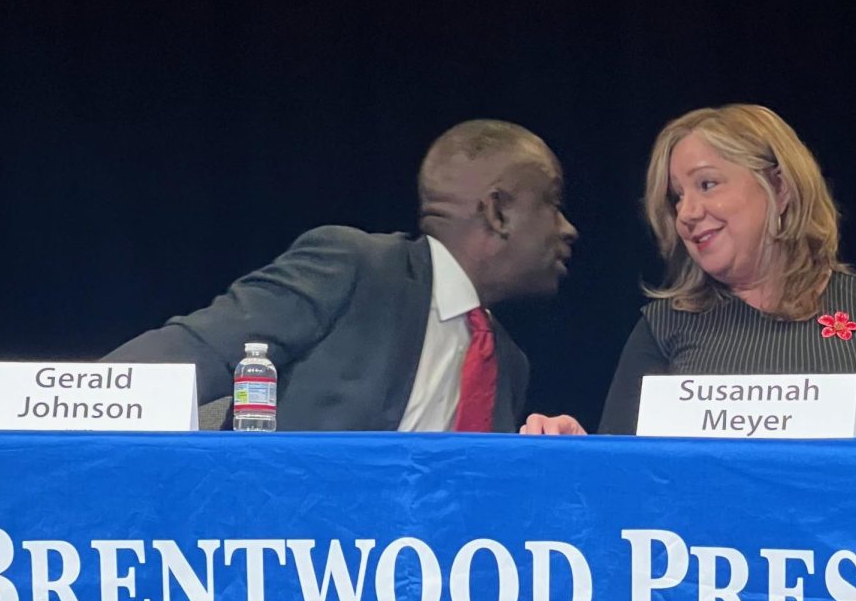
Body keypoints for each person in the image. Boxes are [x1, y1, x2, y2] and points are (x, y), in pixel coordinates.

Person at [105, 120, 577, 431]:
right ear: (497, 212)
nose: (567, 229)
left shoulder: (507, 366)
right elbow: (195, 351)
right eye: (552, 204)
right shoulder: (357, 269)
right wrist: (59, 413)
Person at [523, 104, 856, 437]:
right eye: (676, 197)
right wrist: (579, 451)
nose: (687, 213)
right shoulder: (664, 328)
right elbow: (622, 480)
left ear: (779, 189)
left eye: (707, 184)